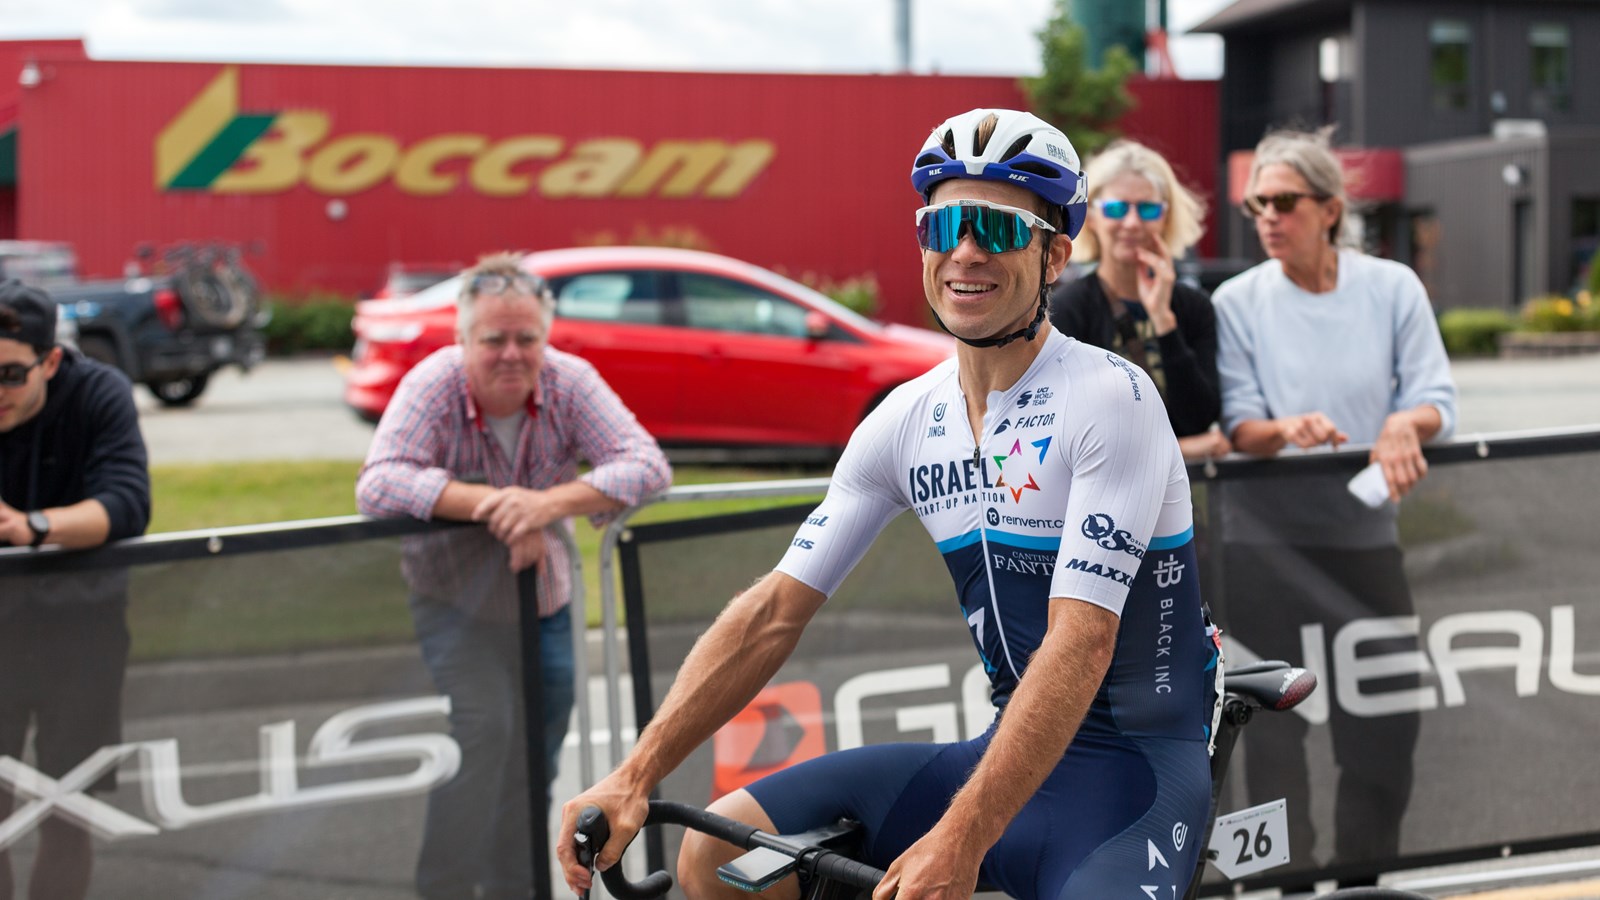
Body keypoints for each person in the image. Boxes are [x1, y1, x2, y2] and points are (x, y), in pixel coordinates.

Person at [559, 108, 1222, 900]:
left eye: (996, 229)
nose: (965, 251)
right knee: (720, 863)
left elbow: (1080, 646)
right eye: (943, 226)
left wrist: (960, 837)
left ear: (1054, 256)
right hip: (1007, 749)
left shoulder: (1110, 398)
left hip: (1134, 772)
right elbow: (773, 612)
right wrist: (635, 776)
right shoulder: (907, 419)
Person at [355, 253, 670, 900]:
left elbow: (646, 465)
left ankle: (517, 885)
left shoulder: (570, 380)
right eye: (493, 338)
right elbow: (378, 483)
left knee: (535, 755)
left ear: (545, 337)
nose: (511, 354)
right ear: (463, 339)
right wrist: (492, 504)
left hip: (544, 604)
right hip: (452, 604)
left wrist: (547, 504)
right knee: (486, 731)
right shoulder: (432, 384)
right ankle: (441, 889)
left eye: (527, 338)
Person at [1212, 126, 1457, 875]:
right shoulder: (1236, 299)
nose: (1267, 218)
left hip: (1363, 544)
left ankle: (1361, 879)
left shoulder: (1391, 288)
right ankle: (1289, 884)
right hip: (1260, 550)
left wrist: (1400, 425)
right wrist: (1283, 429)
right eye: (1257, 204)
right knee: (1274, 740)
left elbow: (1437, 400)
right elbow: (1238, 422)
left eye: (1284, 201)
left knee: (1385, 727)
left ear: (1331, 208)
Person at [0, 280, 150, 900]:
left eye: (11, 375)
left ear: (51, 360)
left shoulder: (97, 392)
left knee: (68, 811)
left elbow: (127, 504)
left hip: (80, 632)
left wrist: (29, 528)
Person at [1047, 140, 1230, 462]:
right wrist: (1183, 450)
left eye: (1147, 209)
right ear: (1092, 216)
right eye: (1117, 208)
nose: (1132, 223)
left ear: (1165, 217)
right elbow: (1071, 429)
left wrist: (1163, 321)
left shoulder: (1194, 308)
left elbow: (1200, 417)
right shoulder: (1068, 309)